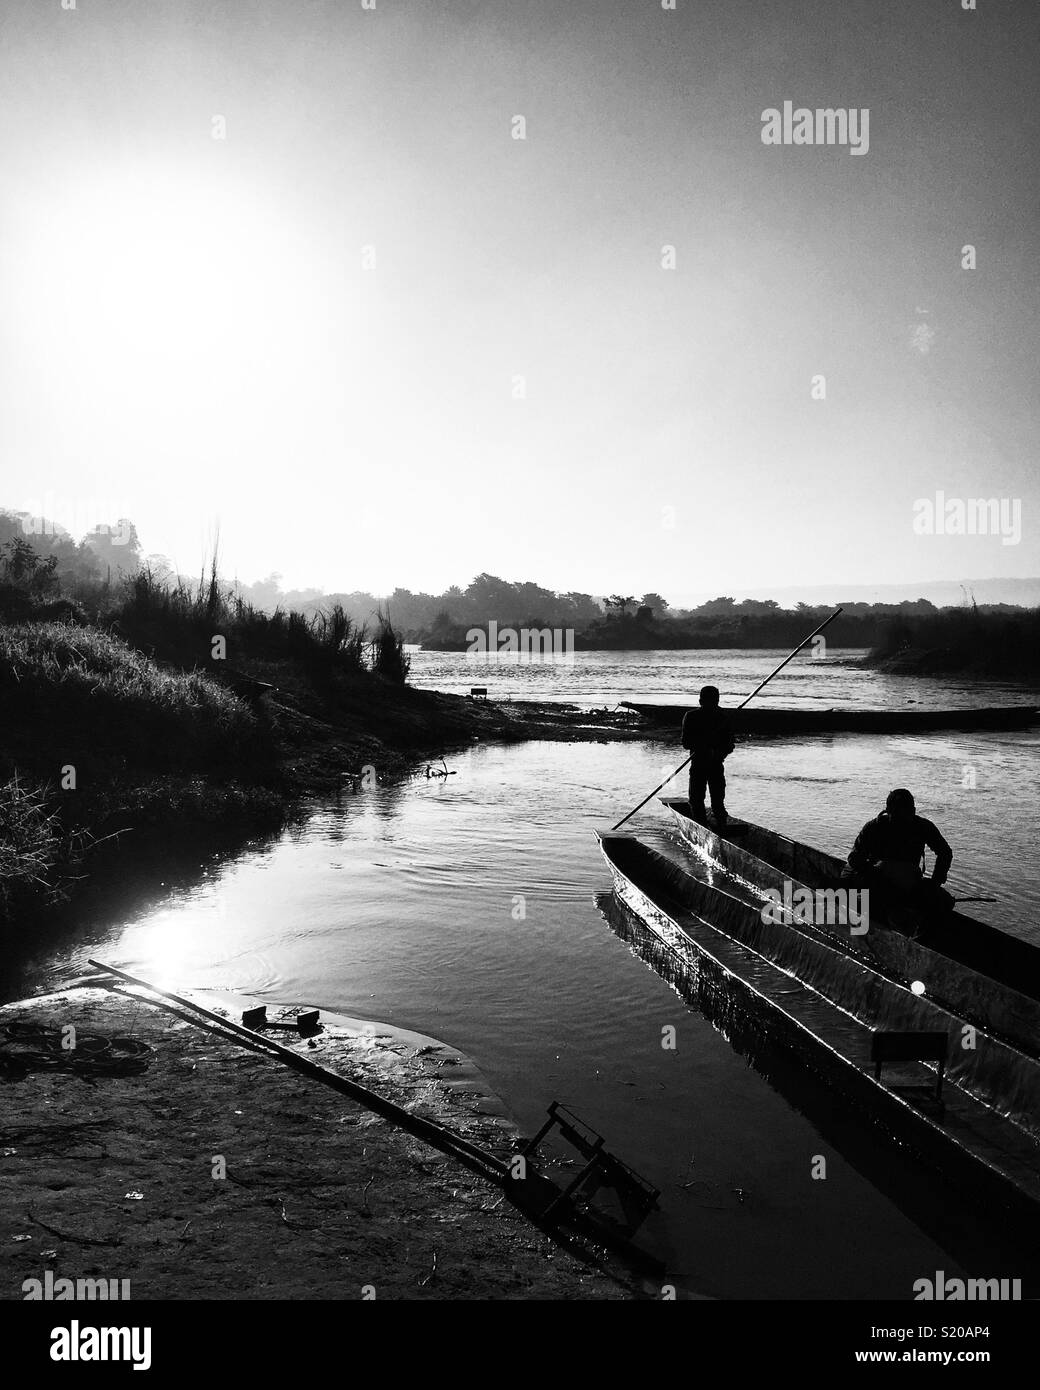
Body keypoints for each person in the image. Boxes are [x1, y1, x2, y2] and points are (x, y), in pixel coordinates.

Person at [843, 788, 953, 926]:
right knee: (857, 895)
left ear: (913, 811)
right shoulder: (874, 827)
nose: (901, 821)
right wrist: (871, 873)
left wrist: (935, 882)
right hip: (877, 882)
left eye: (905, 814)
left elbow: (945, 853)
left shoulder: (923, 827)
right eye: (897, 815)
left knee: (944, 902)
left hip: (907, 883)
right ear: (888, 811)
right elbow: (854, 857)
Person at [681, 685, 735, 827]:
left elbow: (730, 745)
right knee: (697, 801)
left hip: (715, 765)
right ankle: (702, 825)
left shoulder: (723, 717)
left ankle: (720, 828)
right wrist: (703, 747)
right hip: (699, 764)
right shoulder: (692, 716)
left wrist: (718, 753)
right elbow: (686, 742)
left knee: (716, 803)